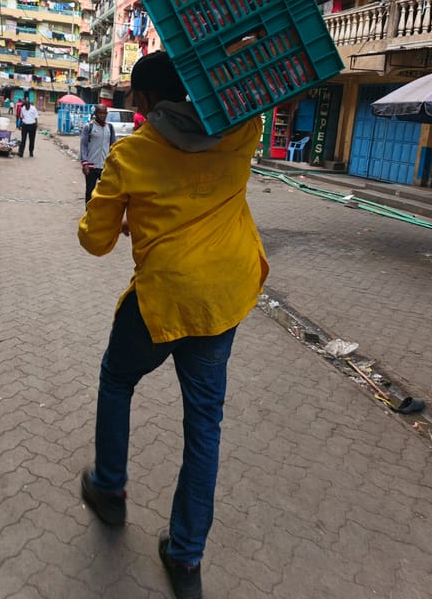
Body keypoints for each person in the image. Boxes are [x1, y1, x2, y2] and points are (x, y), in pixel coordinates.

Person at [77, 52, 268, 599]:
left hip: (163, 298)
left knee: (117, 378)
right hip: (221, 299)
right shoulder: (242, 133)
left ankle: (110, 490)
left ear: (142, 102)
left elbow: (95, 241)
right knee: (204, 424)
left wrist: (106, 204)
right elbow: (248, 99)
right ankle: (185, 560)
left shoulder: (131, 153)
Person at [79, 105, 116, 205]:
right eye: (100, 113)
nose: (102, 115)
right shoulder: (89, 127)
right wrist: (84, 163)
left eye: (104, 113)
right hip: (91, 166)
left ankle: (101, 214)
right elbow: (83, 145)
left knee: (105, 192)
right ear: (95, 114)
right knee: (90, 191)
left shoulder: (110, 128)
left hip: (105, 166)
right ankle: (88, 214)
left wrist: (113, 163)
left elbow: (113, 146)